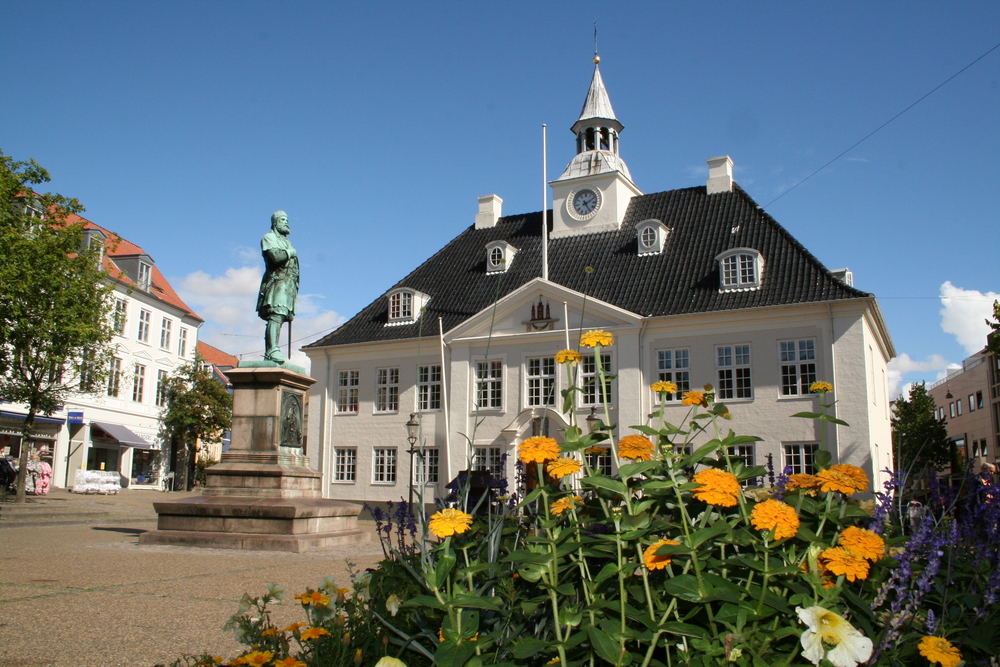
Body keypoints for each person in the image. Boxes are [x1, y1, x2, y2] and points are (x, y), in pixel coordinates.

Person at [256, 211, 300, 363]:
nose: (286, 222)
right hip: (277, 283)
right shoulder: (269, 237)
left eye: (287, 220)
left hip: (287, 285)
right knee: (276, 315)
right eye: (282, 220)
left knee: (281, 316)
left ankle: (273, 349)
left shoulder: (287, 241)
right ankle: (272, 350)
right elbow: (276, 257)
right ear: (275, 223)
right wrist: (289, 252)